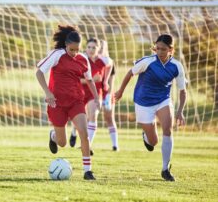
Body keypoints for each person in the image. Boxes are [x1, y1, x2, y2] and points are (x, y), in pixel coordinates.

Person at [115, 34, 187, 181]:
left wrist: (180, 112)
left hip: (163, 100)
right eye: (157, 48)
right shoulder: (148, 61)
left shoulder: (177, 66)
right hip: (143, 102)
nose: (159, 51)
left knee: (168, 129)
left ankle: (165, 169)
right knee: (153, 142)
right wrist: (120, 91)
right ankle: (146, 136)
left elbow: (182, 91)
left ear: (171, 50)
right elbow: (130, 73)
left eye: (163, 49)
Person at [36, 25, 100, 180]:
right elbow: (39, 72)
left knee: (84, 134)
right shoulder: (57, 55)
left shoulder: (83, 59)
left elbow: (90, 80)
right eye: (72, 50)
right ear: (66, 45)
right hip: (56, 103)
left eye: (77, 49)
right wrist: (48, 92)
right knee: (62, 143)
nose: (74, 53)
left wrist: (97, 98)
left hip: (76, 101)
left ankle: (88, 171)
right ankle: (53, 136)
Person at [69, 38, 112, 156]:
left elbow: (110, 64)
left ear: (98, 49)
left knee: (93, 116)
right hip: (81, 92)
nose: (91, 50)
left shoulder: (103, 60)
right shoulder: (80, 59)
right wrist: (91, 80)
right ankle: (73, 132)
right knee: (79, 118)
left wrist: (105, 81)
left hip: (95, 92)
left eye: (94, 47)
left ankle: (88, 144)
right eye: (89, 47)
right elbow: (75, 79)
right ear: (85, 48)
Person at [99, 40, 119, 151]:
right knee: (88, 117)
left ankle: (115, 145)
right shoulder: (91, 61)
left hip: (107, 94)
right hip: (94, 93)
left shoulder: (110, 62)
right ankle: (77, 136)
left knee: (109, 118)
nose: (101, 50)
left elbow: (111, 82)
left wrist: (107, 96)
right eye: (99, 47)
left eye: (103, 48)